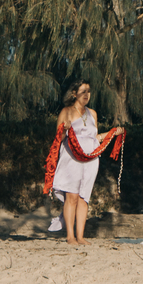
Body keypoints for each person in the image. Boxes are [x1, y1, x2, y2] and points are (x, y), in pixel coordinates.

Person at [48, 83, 123, 248]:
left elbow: (94, 137)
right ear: (74, 93)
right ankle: (70, 236)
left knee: (83, 197)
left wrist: (112, 133)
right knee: (72, 197)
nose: (86, 94)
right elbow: (59, 138)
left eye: (88, 91)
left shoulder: (92, 113)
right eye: (83, 91)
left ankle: (80, 236)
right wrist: (64, 129)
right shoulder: (66, 111)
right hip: (72, 158)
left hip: (91, 159)